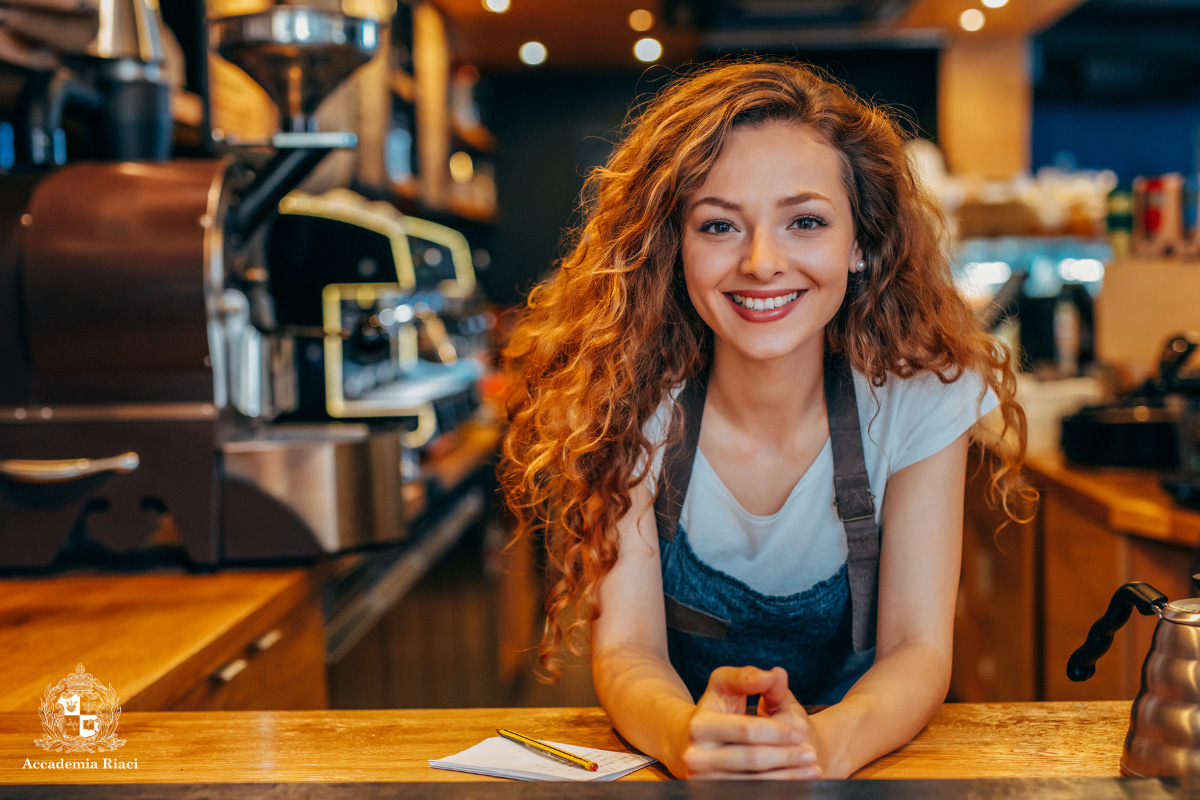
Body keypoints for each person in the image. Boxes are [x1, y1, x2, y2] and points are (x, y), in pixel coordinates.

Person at [500, 61, 1030, 780]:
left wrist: (825, 745)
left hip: (865, 765)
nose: (761, 262)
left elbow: (917, 649)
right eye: (718, 225)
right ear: (674, 247)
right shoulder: (620, 402)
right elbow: (628, 651)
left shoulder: (919, 396)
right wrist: (687, 735)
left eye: (805, 222)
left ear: (860, 244)